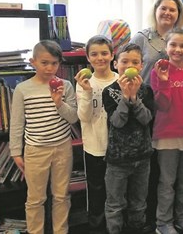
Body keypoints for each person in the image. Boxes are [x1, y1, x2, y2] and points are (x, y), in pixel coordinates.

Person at [9, 40, 79, 234]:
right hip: (35, 150)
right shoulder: (23, 89)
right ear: (33, 62)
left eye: (54, 63)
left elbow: (73, 117)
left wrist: (59, 103)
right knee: (35, 198)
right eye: (44, 62)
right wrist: (16, 151)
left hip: (62, 148)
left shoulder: (65, 86)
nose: (50, 68)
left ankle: (60, 231)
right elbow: (17, 123)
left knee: (61, 196)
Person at [102, 43, 155, 234]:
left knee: (139, 203)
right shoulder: (109, 91)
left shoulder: (146, 90)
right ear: (116, 64)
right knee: (115, 204)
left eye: (135, 62)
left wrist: (135, 98)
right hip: (117, 160)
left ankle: (136, 229)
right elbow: (117, 121)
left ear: (141, 66)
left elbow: (146, 119)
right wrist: (125, 97)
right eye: (124, 61)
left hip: (142, 158)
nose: (129, 65)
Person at [151, 29, 183, 234]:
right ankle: (163, 222)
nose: (178, 49)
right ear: (166, 47)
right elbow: (162, 105)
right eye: (173, 45)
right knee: (167, 182)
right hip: (167, 134)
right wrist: (163, 80)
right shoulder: (158, 70)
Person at [75, 35, 118, 234]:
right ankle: (97, 228)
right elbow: (83, 116)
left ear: (112, 55)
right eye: (94, 54)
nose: (100, 58)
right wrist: (86, 92)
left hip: (118, 149)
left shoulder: (119, 79)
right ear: (88, 58)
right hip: (94, 147)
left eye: (104, 53)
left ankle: (116, 227)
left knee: (116, 193)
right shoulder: (84, 82)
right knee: (96, 191)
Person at [131, 0, 183, 83]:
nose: (167, 13)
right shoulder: (141, 38)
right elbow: (126, 66)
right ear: (155, 10)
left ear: (179, 14)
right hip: (145, 95)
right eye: (163, 8)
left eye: (172, 10)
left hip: (177, 95)